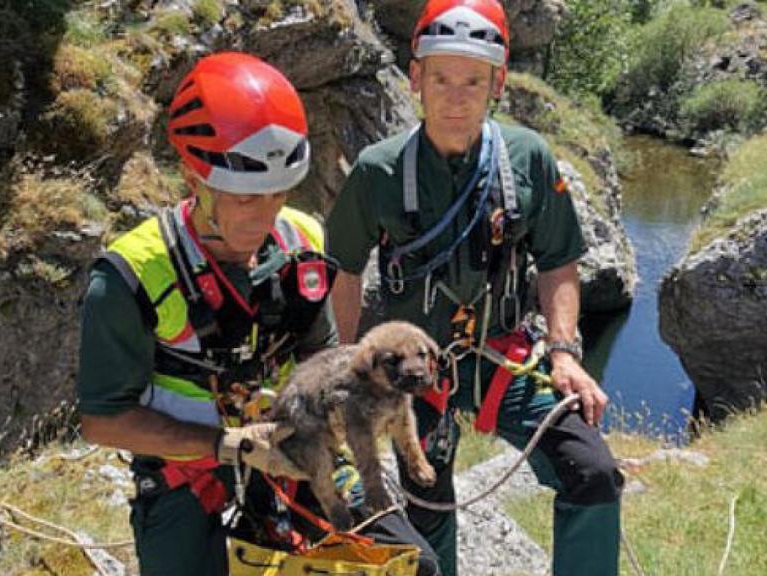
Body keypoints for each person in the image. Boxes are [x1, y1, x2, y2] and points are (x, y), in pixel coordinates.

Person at [77, 52, 440, 576]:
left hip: (300, 442)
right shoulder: (130, 276)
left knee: (411, 566)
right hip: (191, 467)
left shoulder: (302, 244)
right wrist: (225, 445)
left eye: (277, 195)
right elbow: (103, 419)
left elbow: (323, 362)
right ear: (192, 177)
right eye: (245, 199)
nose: (265, 216)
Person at [325, 1, 625, 574]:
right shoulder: (378, 171)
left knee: (592, 470)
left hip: (502, 357)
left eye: (473, 81)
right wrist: (344, 368)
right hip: (417, 373)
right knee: (427, 500)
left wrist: (564, 352)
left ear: (497, 83)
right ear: (416, 79)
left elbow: (559, 263)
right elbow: (344, 268)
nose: (455, 96)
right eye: (441, 78)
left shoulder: (527, 159)